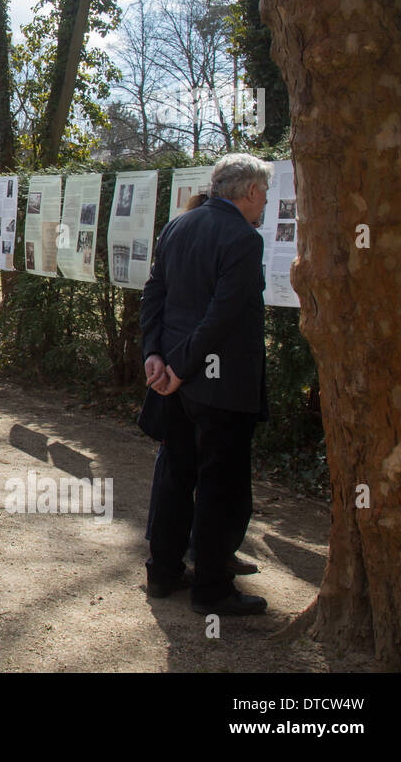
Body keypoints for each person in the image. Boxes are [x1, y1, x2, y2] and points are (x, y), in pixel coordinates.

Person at [141, 153, 272, 617]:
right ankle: (212, 588)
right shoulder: (242, 236)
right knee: (221, 482)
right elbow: (223, 315)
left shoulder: (180, 225)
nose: (265, 202)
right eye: (264, 193)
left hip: (175, 381)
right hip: (218, 382)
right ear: (251, 192)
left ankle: (164, 571)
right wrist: (176, 366)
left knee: (176, 474)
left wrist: (155, 356)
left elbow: (155, 293)